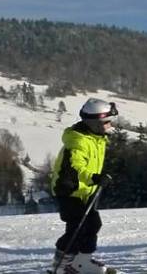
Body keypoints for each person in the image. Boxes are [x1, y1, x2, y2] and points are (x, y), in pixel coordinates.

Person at [49, 98, 117, 274]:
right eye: (106, 122)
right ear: (94, 124)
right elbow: (76, 167)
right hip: (69, 190)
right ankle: (61, 266)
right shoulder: (79, 142)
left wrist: (96, 177)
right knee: (77, 228)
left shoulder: (97, 138)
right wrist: (94, 177)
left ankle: (82, 263)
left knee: (93, 224)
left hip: (85, 189)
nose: (110, 126)